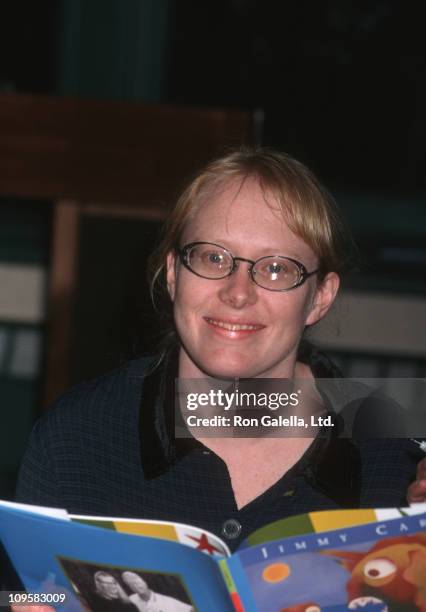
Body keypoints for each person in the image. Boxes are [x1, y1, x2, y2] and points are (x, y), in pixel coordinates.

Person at [15, 148, 420, 551]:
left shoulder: (393, 457)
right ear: (173, 275)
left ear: (319, 297)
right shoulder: (76, 436)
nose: (238, 293)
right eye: (212, 257)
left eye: (276, 268)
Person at [121, 571, 194, 612]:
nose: (136, 586)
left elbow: (190, 609)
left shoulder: (166, 601)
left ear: (144, 581)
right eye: (131, 584)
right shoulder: (132, 599)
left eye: (137, 582)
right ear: (130, 588)